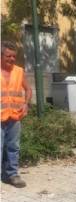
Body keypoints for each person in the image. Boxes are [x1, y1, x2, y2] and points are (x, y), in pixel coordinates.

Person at [1, 41, 32, 188]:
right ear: (1, 56)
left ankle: (12, 175)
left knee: (13, 147)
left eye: (14, 56)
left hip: (14, 117)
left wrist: (26, 104)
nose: (12, 59)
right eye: (8, 56)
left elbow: (28, 89)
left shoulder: (19, 71)